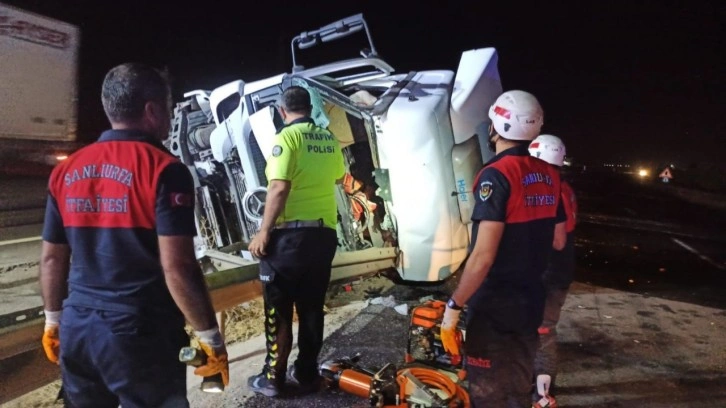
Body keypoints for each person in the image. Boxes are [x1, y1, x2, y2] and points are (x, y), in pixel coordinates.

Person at [39, 62, 228, 408]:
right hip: (139, 333)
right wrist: (210, 337)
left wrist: (53, 321)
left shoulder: (65, 171)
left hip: (77, 330)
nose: (170, 118)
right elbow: (178, 267)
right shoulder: (164, 169)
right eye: (168, 108)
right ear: (152, 111)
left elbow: (52, 259)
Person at [439, 90, 567, 407]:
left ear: (497, 127)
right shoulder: (551, 175)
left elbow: (483, 258)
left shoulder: (496, 175)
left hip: (495, 305)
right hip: (531, 300)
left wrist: (454, 305)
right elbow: (557, 239)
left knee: (487, 391)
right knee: (518, 384)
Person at [247, 86, 344, 397]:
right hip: (324, 236)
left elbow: (278, 187)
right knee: (312, 308)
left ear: (281, 110)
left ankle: (272, 378)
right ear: (310, 107)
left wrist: (264, 230)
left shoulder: (286, 138)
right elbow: (338, 176)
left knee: (279, 310)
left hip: (289, 239)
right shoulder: (328, 139)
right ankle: (306, 373)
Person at [528, 134, 578, 406]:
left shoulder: (550, 189)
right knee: (543, 330)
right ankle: (540, 390)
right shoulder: (564, 186)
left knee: (543, 333)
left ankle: (543, 396)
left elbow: (555, 239)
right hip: (560, 271)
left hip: (547, 273)